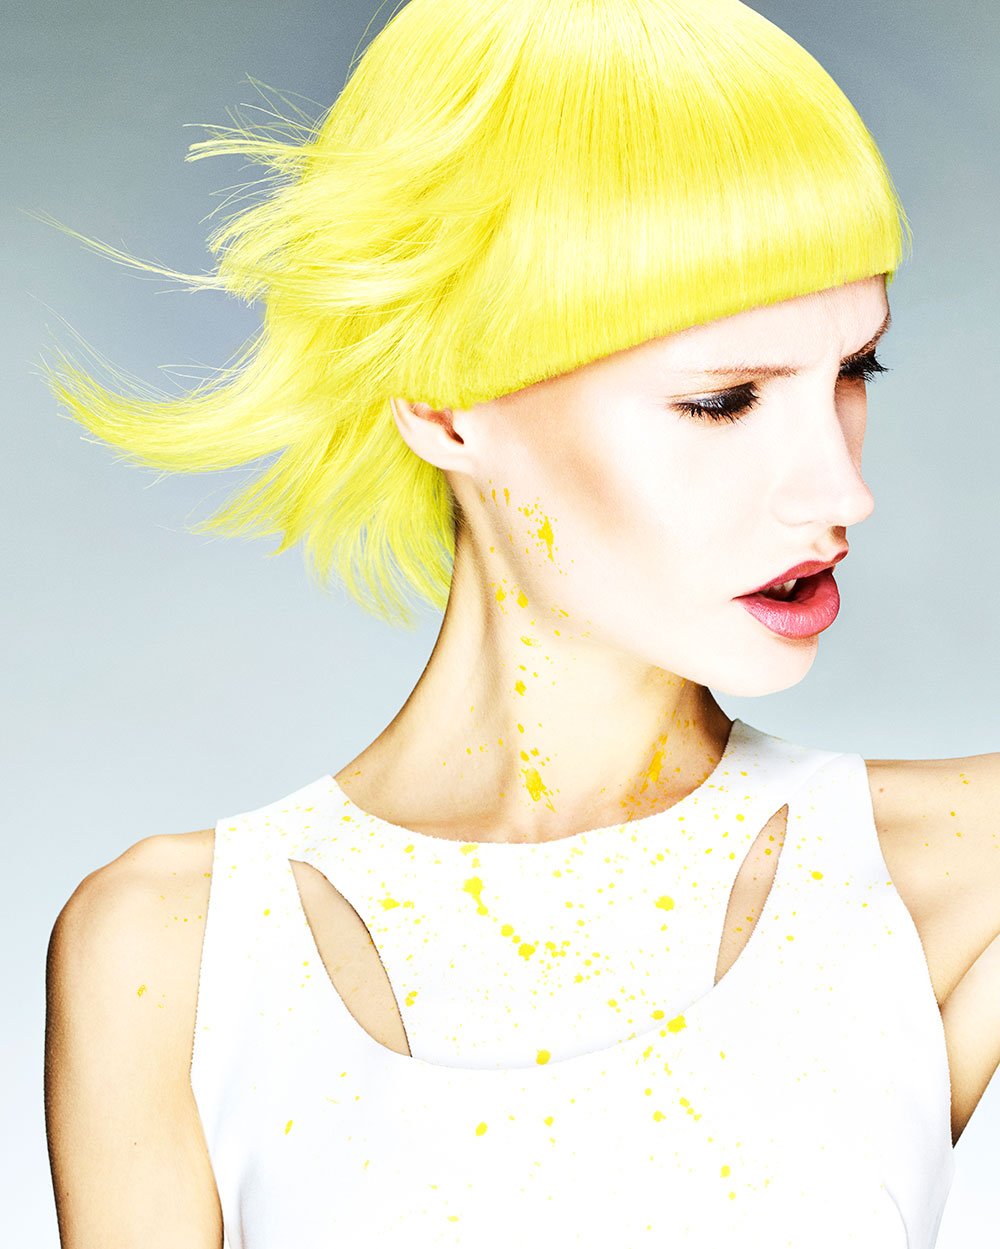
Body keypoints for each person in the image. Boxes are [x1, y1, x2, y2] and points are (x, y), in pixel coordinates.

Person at [43, 0, 999, 1245]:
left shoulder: (961, 866)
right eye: (723, 399)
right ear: (446, 405)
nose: (839, 490)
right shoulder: (173, 947)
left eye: (853, 371)